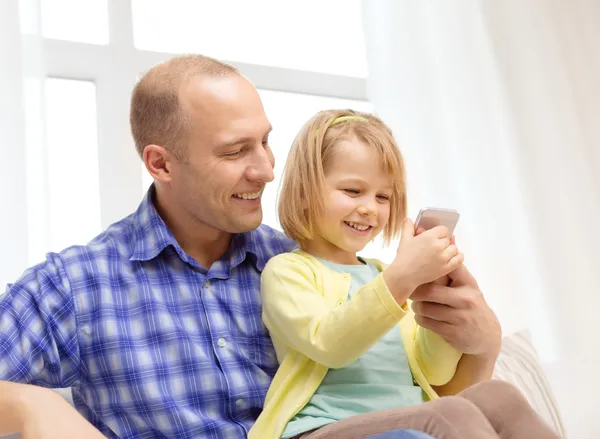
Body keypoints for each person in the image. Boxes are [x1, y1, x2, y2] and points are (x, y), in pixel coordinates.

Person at [0, 54, 500, 439]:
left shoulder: (304, 262)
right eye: (236, 151)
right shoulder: (78, 284)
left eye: (265, 142)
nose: (266, 169)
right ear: (161, 165)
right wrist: (30, 404)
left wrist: (482, 344)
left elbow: (415, 406)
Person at [249, 110, 559, 439]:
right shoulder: (288, 271)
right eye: (353, 191)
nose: (370, 207)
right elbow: (329, 343)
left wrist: (432, 302)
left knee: (499, 396)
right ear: (305, 191)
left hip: (406, 419)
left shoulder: (383, 276)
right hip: (321, 428)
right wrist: (400, 281)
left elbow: (433, 371)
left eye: (383, 196)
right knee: (449, 414)